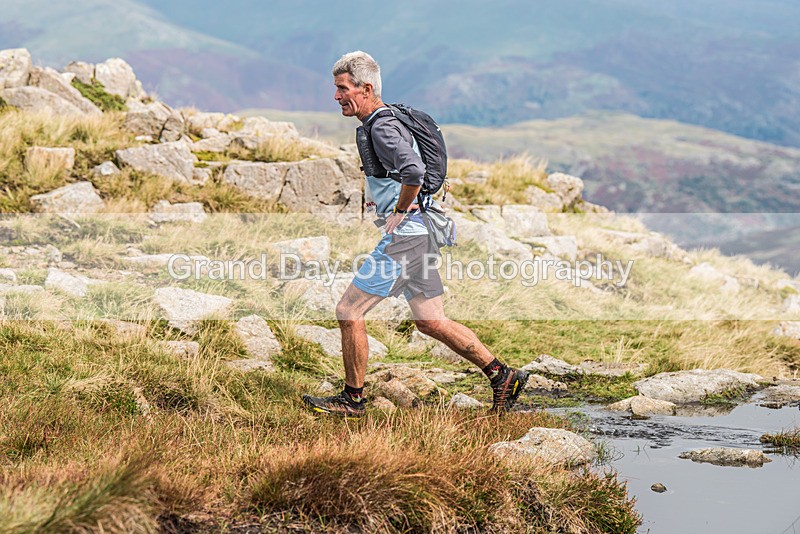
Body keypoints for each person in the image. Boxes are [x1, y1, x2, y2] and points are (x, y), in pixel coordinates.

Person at [302, 51, 528, 417]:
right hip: (421, 232)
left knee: (349, 310)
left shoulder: (382, 126)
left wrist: (400, 210)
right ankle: (503, 376)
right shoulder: (387, 119)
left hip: (408, 235)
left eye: (342, 88)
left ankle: (353, 400)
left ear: (365, 88)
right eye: (336, 88)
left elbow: (413, 171)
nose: (336, 96)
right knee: (430, 321)